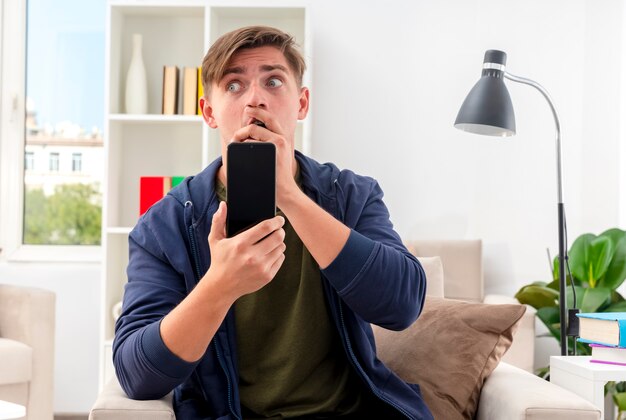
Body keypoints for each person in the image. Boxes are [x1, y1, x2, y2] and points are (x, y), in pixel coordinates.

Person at [113, 25, 433, 420]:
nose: (255, 100)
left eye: (274, 81)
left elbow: (402, 306)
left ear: (301, 103)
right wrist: (218, 287)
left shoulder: (351, 195)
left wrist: (290, 197)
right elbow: (136, 375)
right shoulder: (164, 224)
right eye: (233, 85)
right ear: (208, 111)